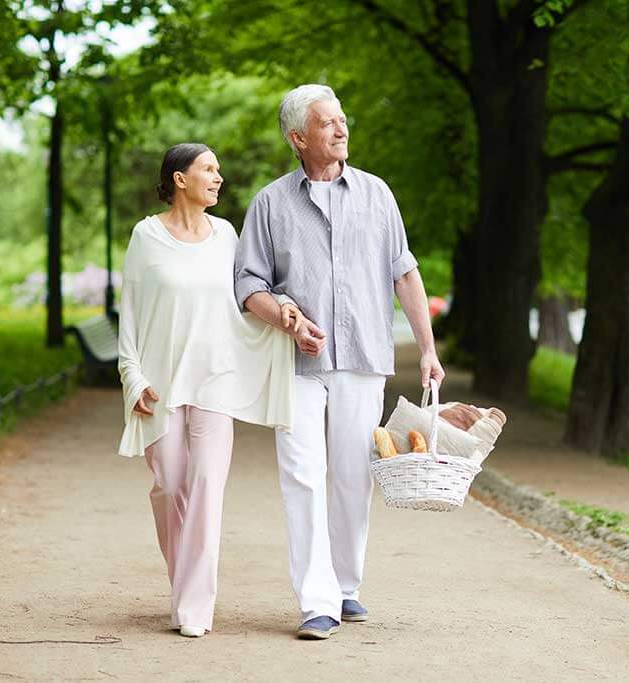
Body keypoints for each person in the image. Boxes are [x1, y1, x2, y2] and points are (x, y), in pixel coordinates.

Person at [234, 84, 445, 640]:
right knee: (303, 475)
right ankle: (317, 600)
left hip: (364, 355)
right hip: (295, 364)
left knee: (354, 475)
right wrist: (285, 317)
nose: (341, 128)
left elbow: (404, 272)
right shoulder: (270, 203)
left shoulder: (377, 195)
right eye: (327, 123)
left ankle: (347, 586)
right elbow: (248, 283)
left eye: (342, 119)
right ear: (298, 138)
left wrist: (427, 349)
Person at [117, 143, 317, 638]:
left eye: (219, 170)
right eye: (209, 169)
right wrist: (132, 376)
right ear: (180, 179)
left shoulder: (227, 235)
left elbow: (248, 295)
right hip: (160, 383)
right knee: (169, 485)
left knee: (206, 488)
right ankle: (183, 583)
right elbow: (131, 314)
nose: (219, 177)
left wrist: (284, 311)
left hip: (216, 380)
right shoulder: (146, 236)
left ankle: (193, 606)